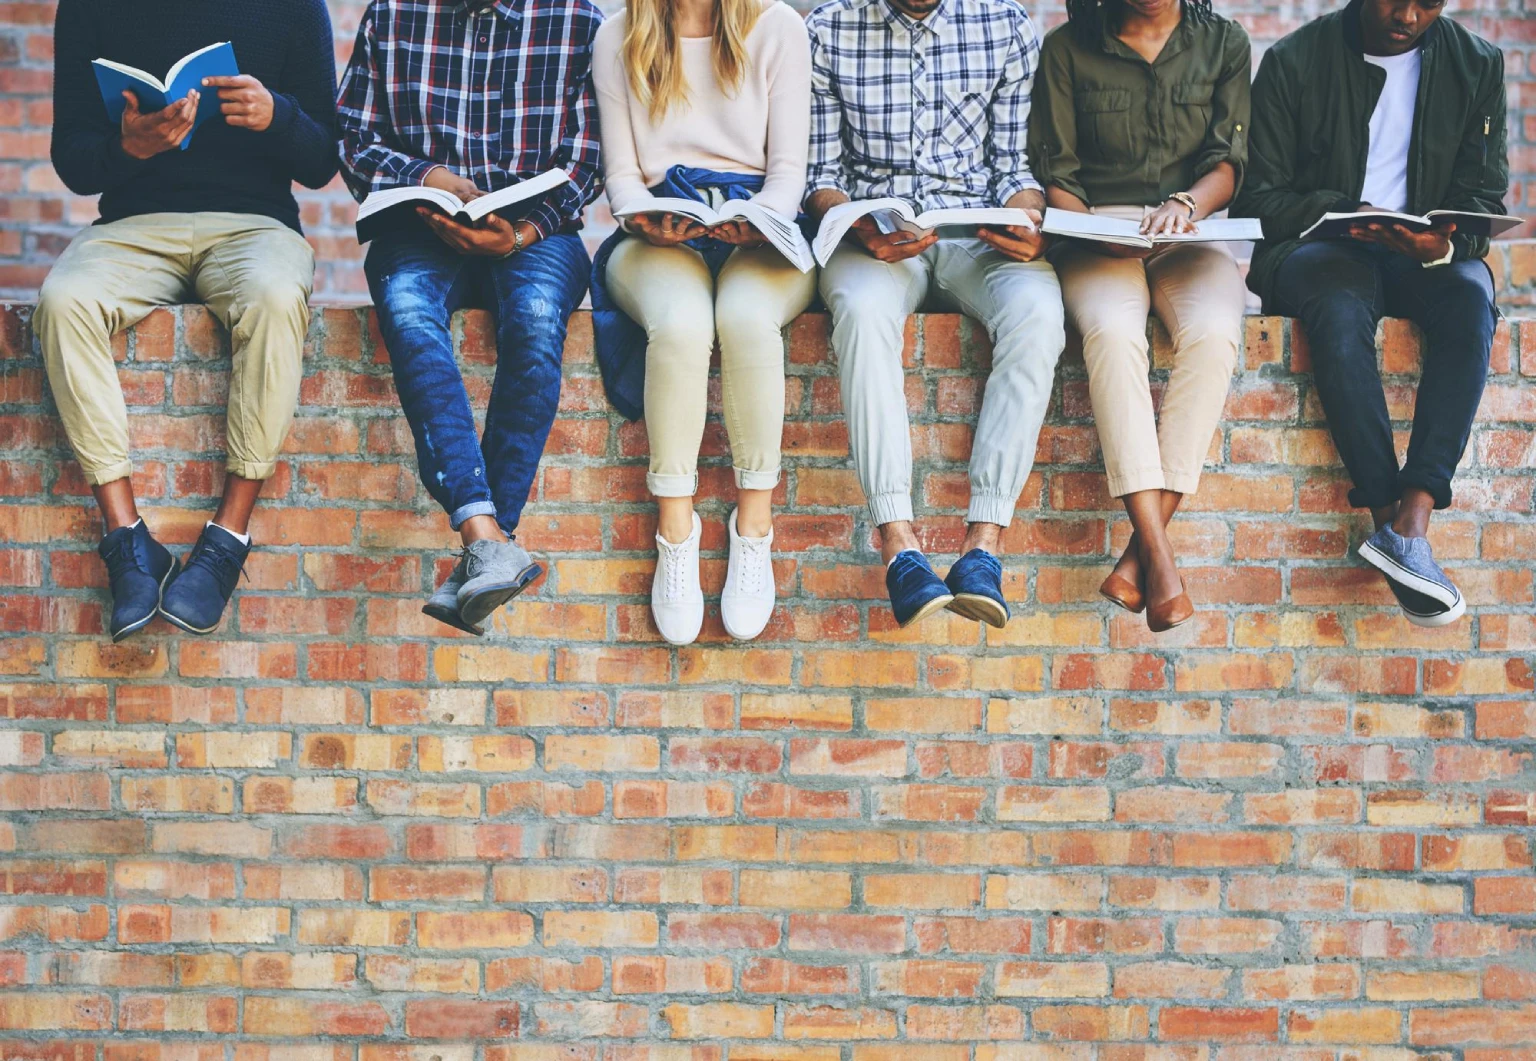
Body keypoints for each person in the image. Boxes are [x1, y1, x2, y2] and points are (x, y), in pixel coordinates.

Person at [36, 0, 338, 642]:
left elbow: (322, 161)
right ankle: (126, 539)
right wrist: (126, 146)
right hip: (134, 226)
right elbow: (73, 160)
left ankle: (227, 538)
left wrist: (277, 115)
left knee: (277, 295)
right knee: (63, 301)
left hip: (254, 224)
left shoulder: (294, 8)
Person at [1233, 0, 1507, 627]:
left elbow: (1482, 195)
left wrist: (1443, 242)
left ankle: (1413, 519)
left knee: (1471, 295)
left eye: (1428, 3)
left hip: (1418, 252)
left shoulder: (1477, 65)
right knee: (1338, 304)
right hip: (1319, 247)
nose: (1408, 15)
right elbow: (1261, 197)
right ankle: (1389, 524)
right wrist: (1346, 211)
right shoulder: (1294, 61)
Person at [338, 0, 603, 636]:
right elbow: (352, 136)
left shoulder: (577, 19)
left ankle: (485, 544)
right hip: (421, 227)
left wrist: (521, 233)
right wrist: (427, 174)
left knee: (538, 321)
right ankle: (487, 536)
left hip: (535, 232)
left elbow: (587, 160)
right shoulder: (392, 12)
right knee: (405, 308)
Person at [803, 0, 1066, 629]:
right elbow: (819, 175)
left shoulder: (1004, 26)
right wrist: (856, 219)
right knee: (863, 312)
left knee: (1038, 311)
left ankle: (983, 548)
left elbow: (1016, 168)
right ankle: (900, 545)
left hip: (976, 233)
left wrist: (1028, 218)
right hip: (876, 238)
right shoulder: (827, 28)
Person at [592, 0, 814, 646]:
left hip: (761, 231)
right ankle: (677, 532)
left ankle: (753, 528)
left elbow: (788, 174)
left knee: (746, 317)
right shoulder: (619, 37)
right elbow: (622, 178)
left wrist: (756, 219)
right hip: (659, 236)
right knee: (683, 323)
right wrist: (649, 217)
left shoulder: (778, 28)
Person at [1029, 0, 1250, 632]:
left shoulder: (1224, 43)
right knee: (1113, 331)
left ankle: (1138, 556)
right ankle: (1159, 555)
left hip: (1189, 231)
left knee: (1213, 333)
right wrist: (1095, 230)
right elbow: (1056, 176)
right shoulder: (1068, 49)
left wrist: (1185, 206)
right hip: (1096, 234)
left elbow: (1228, 163)